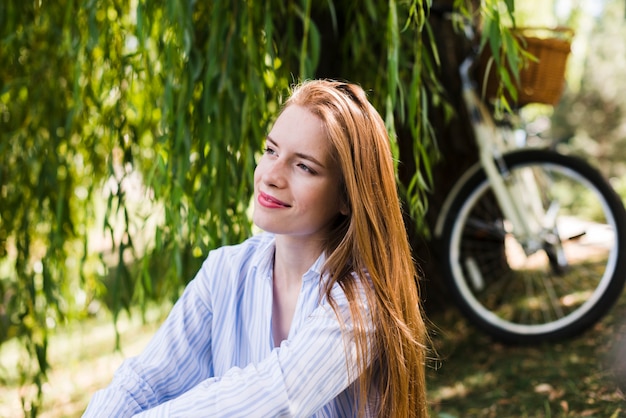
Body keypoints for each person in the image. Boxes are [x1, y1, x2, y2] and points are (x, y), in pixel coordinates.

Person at [83, 79, 429, 417]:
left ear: (346, 197)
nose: (271, 175)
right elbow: (145, 382)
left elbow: (275, 398)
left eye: (304, 166)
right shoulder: (225, 271)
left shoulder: (362, 302)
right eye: (270, 150)